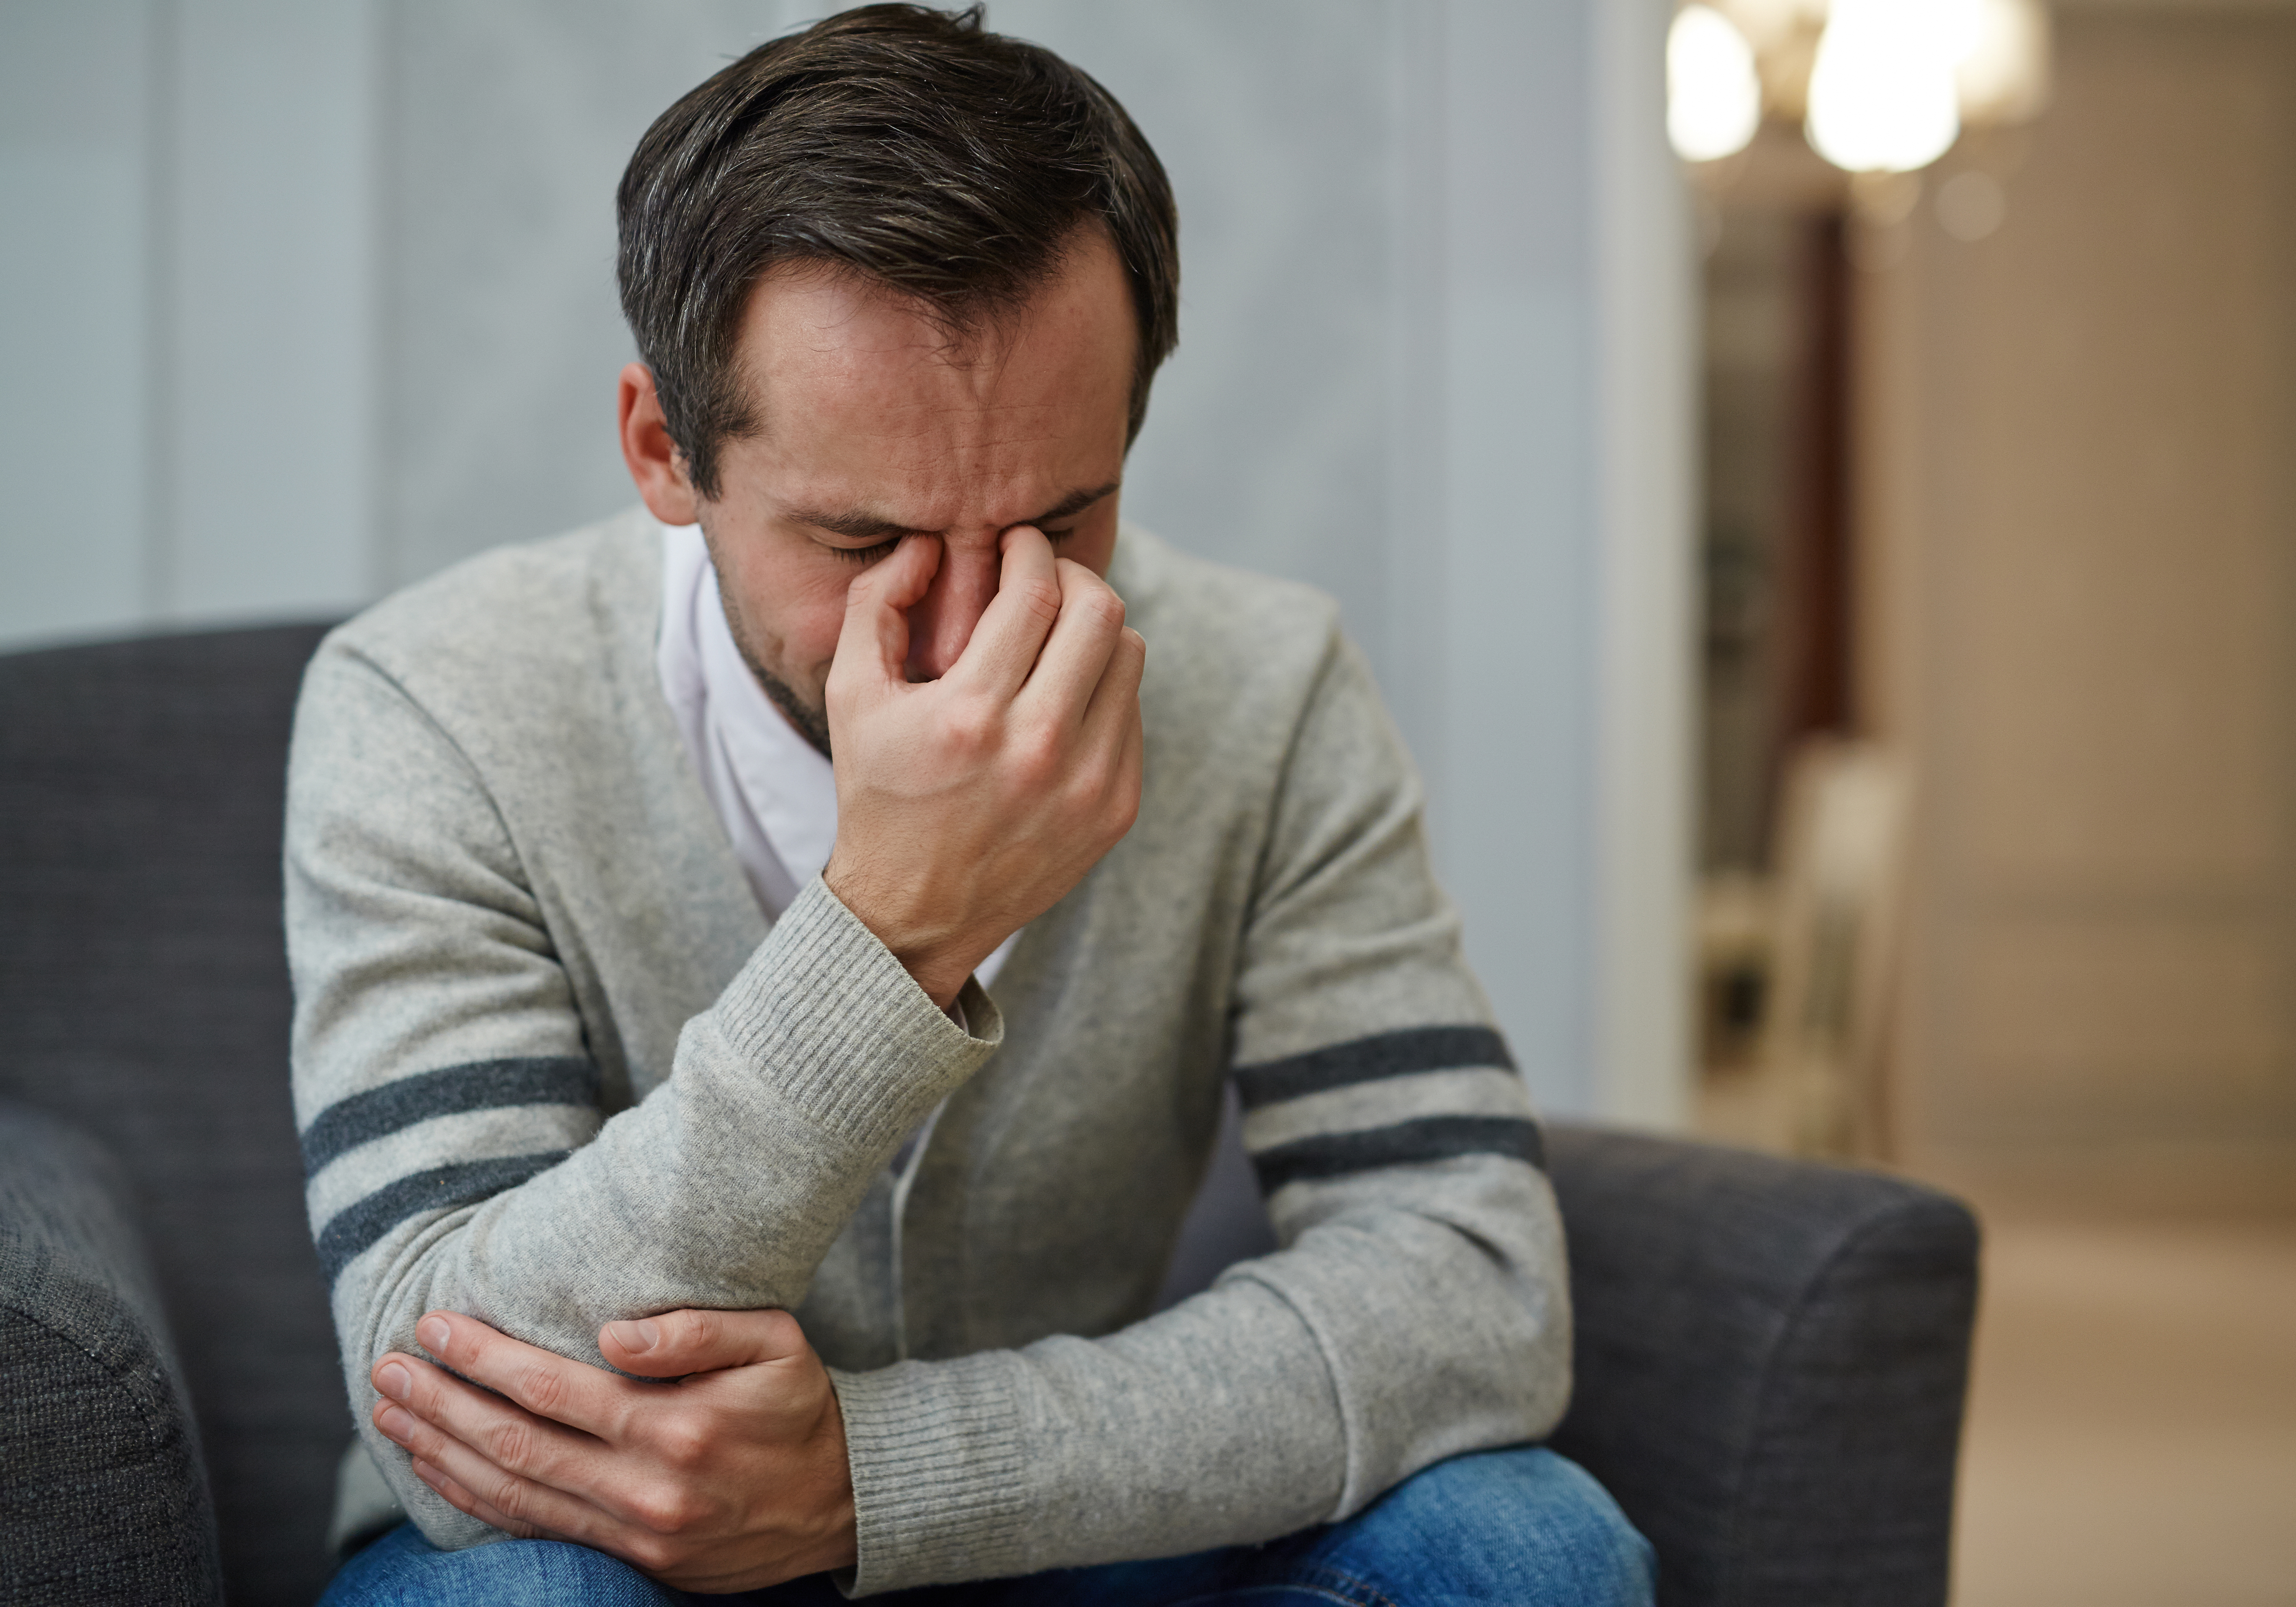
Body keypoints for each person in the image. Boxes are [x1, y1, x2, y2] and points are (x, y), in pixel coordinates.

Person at [292, 7, 1654, 1603]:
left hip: (1069, 1532)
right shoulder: (431, 707)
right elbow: (445, 1373)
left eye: (1064, 521)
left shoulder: (1267, 687)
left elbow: (1477, 1285)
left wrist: (890, 1482)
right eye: (865, 544)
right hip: (602, 1552)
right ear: (666, 450)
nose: (971, 634)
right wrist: (892, 930)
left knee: (1525, 1550)